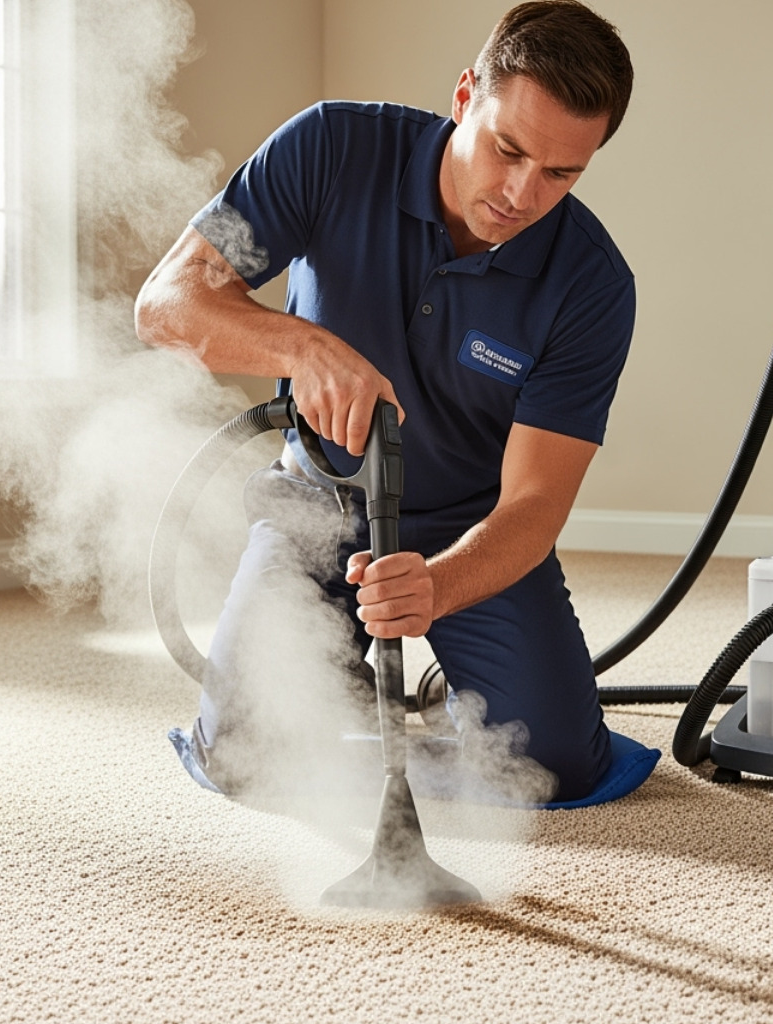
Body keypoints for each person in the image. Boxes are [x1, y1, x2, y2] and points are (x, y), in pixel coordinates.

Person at [135, 1, 635, 803]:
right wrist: (302, 346)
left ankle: (431, 681)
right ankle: (338, 676)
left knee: (554, 766)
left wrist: (434, 588)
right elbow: (165, 305)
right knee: (243, 756)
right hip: (317, 501)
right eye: (507, 149)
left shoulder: (591, 284)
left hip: (468, 527)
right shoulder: (332, 146)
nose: (519, 192)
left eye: (560, 173)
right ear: (465, 94)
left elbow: (535, 508)